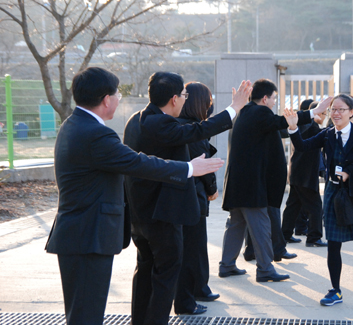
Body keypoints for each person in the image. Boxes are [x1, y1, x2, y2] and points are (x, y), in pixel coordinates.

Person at [45, 67, 224, 325]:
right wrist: (189, 168)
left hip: (80, 234)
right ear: (106, 99)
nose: (119, 99)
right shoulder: (96, 134)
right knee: (86, 315)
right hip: (88, 236)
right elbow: (140, 163)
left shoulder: (73, 125)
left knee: (83, 313)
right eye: (117, 93)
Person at [123, 72, 251, 323]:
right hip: (162, 215)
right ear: (173, 99)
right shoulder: (162, 124)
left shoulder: (136, 120)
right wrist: (234, 108)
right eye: (183, 95)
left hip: (140, 214)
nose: (184, 100)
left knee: (146, 271)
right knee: (165, 275)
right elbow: (198, 130)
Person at [220, 78, 330, 283]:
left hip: (237, 184)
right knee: (261, 227)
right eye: (273, 99)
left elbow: (278, 128)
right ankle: (265, 269)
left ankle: (226, 265)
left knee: (236, 224)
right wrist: (314, 112)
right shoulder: (259, 112)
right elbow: (281, 122)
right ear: (264, 98)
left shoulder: (243, 113)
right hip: (252, 186)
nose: (274, 103)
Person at [283, 94, 353, 306]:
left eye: (341, 110)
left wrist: (350, 172)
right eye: (333, 110)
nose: (335, 114)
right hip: (334, 194)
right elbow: (302, 146)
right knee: (333, 244)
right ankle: (335, 290)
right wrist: (293, 128)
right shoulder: (327, 135)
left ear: (352, 112)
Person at [175, 82, 221, 308]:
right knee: (194, 247)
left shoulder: (179, 125)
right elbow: (203, 165)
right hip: (192, 196)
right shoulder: (191, 129)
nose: (210, 105)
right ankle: (195, 291)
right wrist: (212, 189)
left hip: (186, 195)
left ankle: (199, 288)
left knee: (193, 246)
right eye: (208, 101)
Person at [281, 99, 328, 247]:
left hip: (297, 172)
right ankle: (314, 238)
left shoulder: (304, 125)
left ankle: (285, 235)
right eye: (325, 113)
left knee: (293, 205)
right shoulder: (311, 127)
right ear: (317, 113)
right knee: (315, 206)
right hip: (305, 174)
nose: (326, 117)